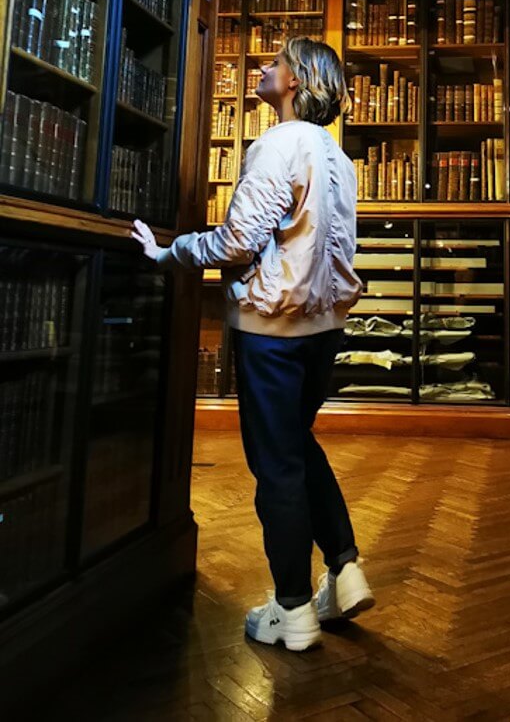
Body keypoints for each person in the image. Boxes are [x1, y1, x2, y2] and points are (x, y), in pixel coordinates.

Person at [131, 35, 374, 652]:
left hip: (272, 330)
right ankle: (343, 568)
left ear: (296, 81)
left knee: (277, 466)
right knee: (296, 446)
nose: (265, 68)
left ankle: (291, 610)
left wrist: (170, 253)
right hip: (323, 329)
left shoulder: (277, 144)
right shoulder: (339, 160)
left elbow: (238, 241)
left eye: (276, 63)